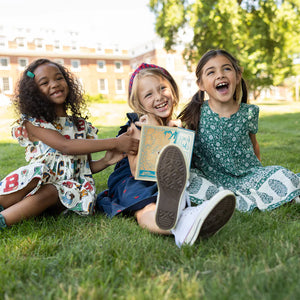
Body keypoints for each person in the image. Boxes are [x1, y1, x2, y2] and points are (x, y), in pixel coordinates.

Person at [96, 63, 236, 247]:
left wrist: (176, 134)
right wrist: (153, 130)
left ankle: (188, 217)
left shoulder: (176, 126)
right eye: (149, 94)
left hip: (167, 182)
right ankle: (177, 226)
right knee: (145, 209)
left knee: (179, 196)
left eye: (162, 88)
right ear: (139, 104)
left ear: (172, 89)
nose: (159, 96)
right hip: (133, 181)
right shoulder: (139, 126)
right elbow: (137, 169)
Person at [0, 58, 139, 230]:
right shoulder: (35, 123)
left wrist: (106, 161)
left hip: (65, 194)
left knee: (53, 190)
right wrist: (115, 143)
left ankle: (4, 219)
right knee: (34, 175)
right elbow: (66, 145)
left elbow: (82, 168)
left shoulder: (81, 126)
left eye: (59, 78)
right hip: (36, 184)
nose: (55, 84)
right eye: (44, 82)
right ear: (34, 93)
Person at [179, 49, 300, 212]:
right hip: (211, 179)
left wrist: (260, 176)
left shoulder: (248, 113)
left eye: (226, 69)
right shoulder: (196, 113)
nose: (220, 75)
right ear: (201, 84)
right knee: (189, 181)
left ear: (237, 76)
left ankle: (238, 199)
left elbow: (254, 145)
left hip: (247, 177)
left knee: (281, 174)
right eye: (211, 72)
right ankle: (231, 199)